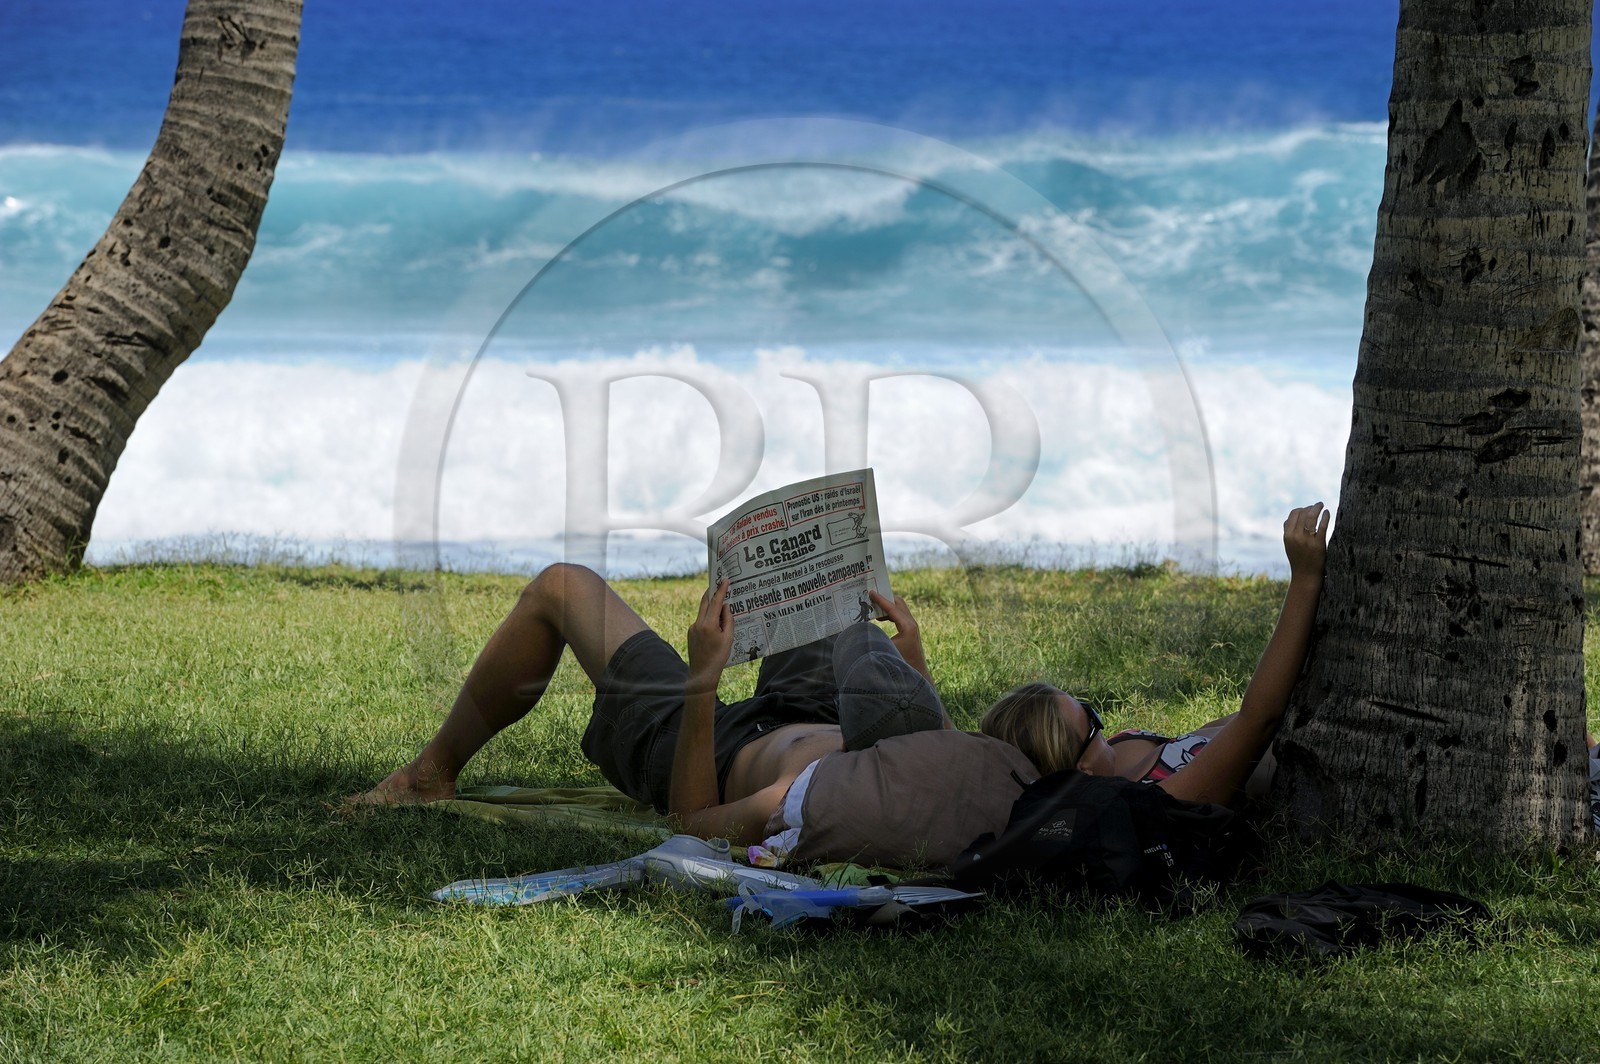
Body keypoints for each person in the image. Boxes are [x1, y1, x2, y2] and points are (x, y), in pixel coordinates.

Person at [980, 501, 1329, 807]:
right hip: (1320, 749)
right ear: (1081, 769)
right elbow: (1258, 720)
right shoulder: (1163, 799)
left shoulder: (1113, 759)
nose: (1099, 720)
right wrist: (1304, 578)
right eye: (1092, 721)